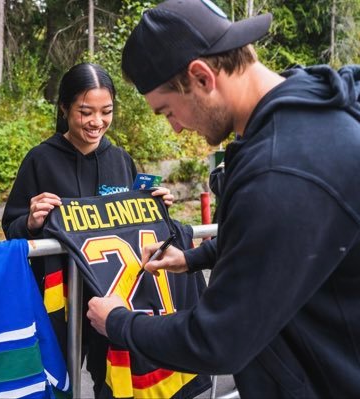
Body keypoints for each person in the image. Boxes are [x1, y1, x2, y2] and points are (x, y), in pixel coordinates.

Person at [86, 0, 360, 397]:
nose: (177, 129)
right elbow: (284, 244)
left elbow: (218, 340)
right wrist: (194, 258)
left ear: (201, 77)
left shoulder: (283, 170)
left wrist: (120, 323)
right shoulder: (308, 120)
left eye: (167, 111)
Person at [1, 62, 174, 397]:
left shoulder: (121, 159)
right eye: (85, 112)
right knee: (53, 380)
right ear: (64, 108)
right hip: (57, 299)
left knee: (112, 381)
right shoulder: (39, 159)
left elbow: (135, 225)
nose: (97, 122)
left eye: (106, 112)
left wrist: (157, 209)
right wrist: (32, 221)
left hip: (113, 296)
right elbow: (12, 227)